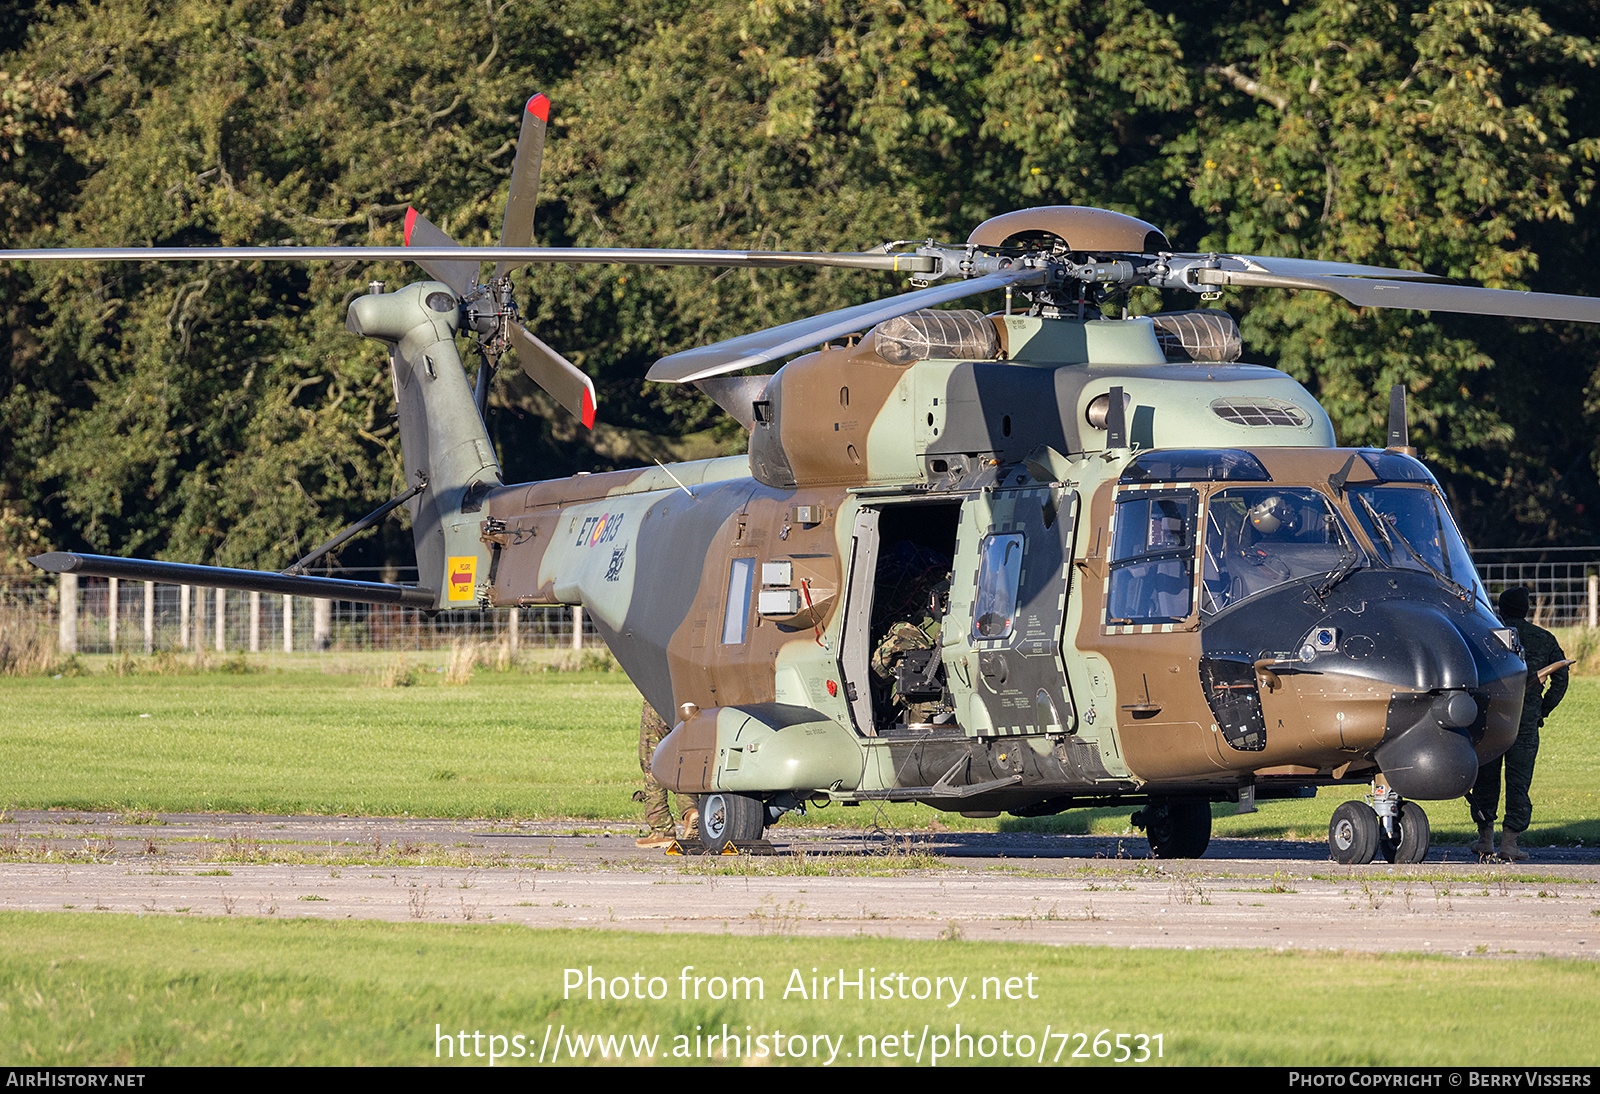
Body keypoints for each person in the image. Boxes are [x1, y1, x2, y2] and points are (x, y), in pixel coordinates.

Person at [1467, 586, 1569, 861]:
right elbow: (1562, 678)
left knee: (1486, 779)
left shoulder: (1486, 634)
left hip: (1490, 719)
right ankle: (1510, 844)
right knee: (1519, 782)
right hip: (1525, 721)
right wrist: (1542, 709)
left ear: (1500, 608)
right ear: (1527, 609)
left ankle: (1484, 840)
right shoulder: (1544, 638)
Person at [634, 702, 697, 848]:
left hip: (660, 699)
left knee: (653, 759)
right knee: (684, 757)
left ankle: (661, 829)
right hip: (693, 701)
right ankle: (691, 811)